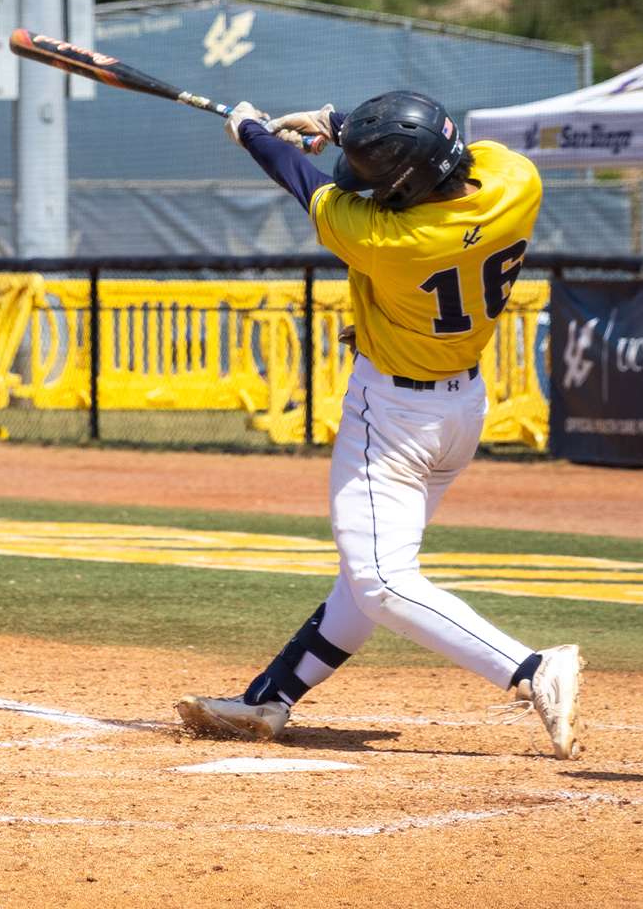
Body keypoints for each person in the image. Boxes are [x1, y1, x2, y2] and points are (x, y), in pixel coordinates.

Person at [173, 92, 585, 758]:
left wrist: (251, 130)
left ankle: (532, 670)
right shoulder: (516, 179)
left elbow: (297, 177)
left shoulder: (385, 238)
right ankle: (268, 700)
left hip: (392, 416)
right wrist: (341, 130)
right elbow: (431, 161)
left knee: (381, 580)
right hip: (460, 411)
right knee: (365, 578)